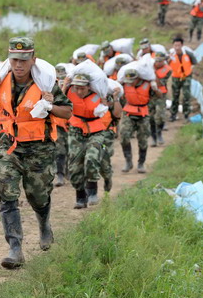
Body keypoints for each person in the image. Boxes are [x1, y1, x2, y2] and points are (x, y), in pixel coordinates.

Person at [0, 37, 72, 264]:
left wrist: (50, 105)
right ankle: (15, 248)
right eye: (14, 59)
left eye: (24, 60)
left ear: (33, 59)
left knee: (38, 196)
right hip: (8, 144)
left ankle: (44, 226)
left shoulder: (45, 83)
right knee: (5, 191)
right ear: (9, 59)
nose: (19, 65)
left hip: (38, 147)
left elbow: (67, 112)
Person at [63, 74, 113, 208]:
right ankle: (80, 197)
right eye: (76, 88)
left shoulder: (99, 93)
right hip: (76, 131)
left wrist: (107, 102)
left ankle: (92, 192)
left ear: (89, 87)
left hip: (96, 131)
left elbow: (116, 109)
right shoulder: (69, 91)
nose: (79, 92)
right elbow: (58, 101)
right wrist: (65, 85)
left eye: (82, 89)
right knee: (74, 167)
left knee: (91, 158)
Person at [120, 68, 151, 173]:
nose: (131, 83)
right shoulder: (124, 84)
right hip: (128, 111)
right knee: (124, 136)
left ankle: (141, 163)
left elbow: (157, 96)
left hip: (143, 113)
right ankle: (128, 161)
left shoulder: (148, 84)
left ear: (138, 78)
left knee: (143, 139)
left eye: (133, 80)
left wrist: (156, 88)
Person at [168, 36, 197, 122]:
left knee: (186, 95)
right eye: (175, 45)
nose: (177, 47)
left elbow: (194, 62)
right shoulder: (170, 54)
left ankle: (186, 114)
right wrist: (169, 58)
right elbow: (166, 64)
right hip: (175, 77)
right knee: (175, 96)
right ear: (173, 45)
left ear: (182, 45)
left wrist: (188, 70)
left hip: (186, 77)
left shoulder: (188, 53)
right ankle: (173, 114)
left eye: (179, 45)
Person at [150, 52, 172, 146]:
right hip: (149, 95)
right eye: (156, 61)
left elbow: (160, 83)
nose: (158, 63)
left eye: (160, 61)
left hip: (161, 95)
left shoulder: (167, 70)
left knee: (160, 117)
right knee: (151, 117)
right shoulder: (149, 66)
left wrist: (153, 73)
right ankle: (154, 138)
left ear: (164, 61)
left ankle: (159, 134)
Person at [54, 64, 70, 187]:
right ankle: (59, 175)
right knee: (60, 150)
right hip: (58, 124)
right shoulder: (51, 87)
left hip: (71, 125)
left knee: (71, 149)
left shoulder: (73, 89)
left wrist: (66, 87)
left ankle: (69, 172)